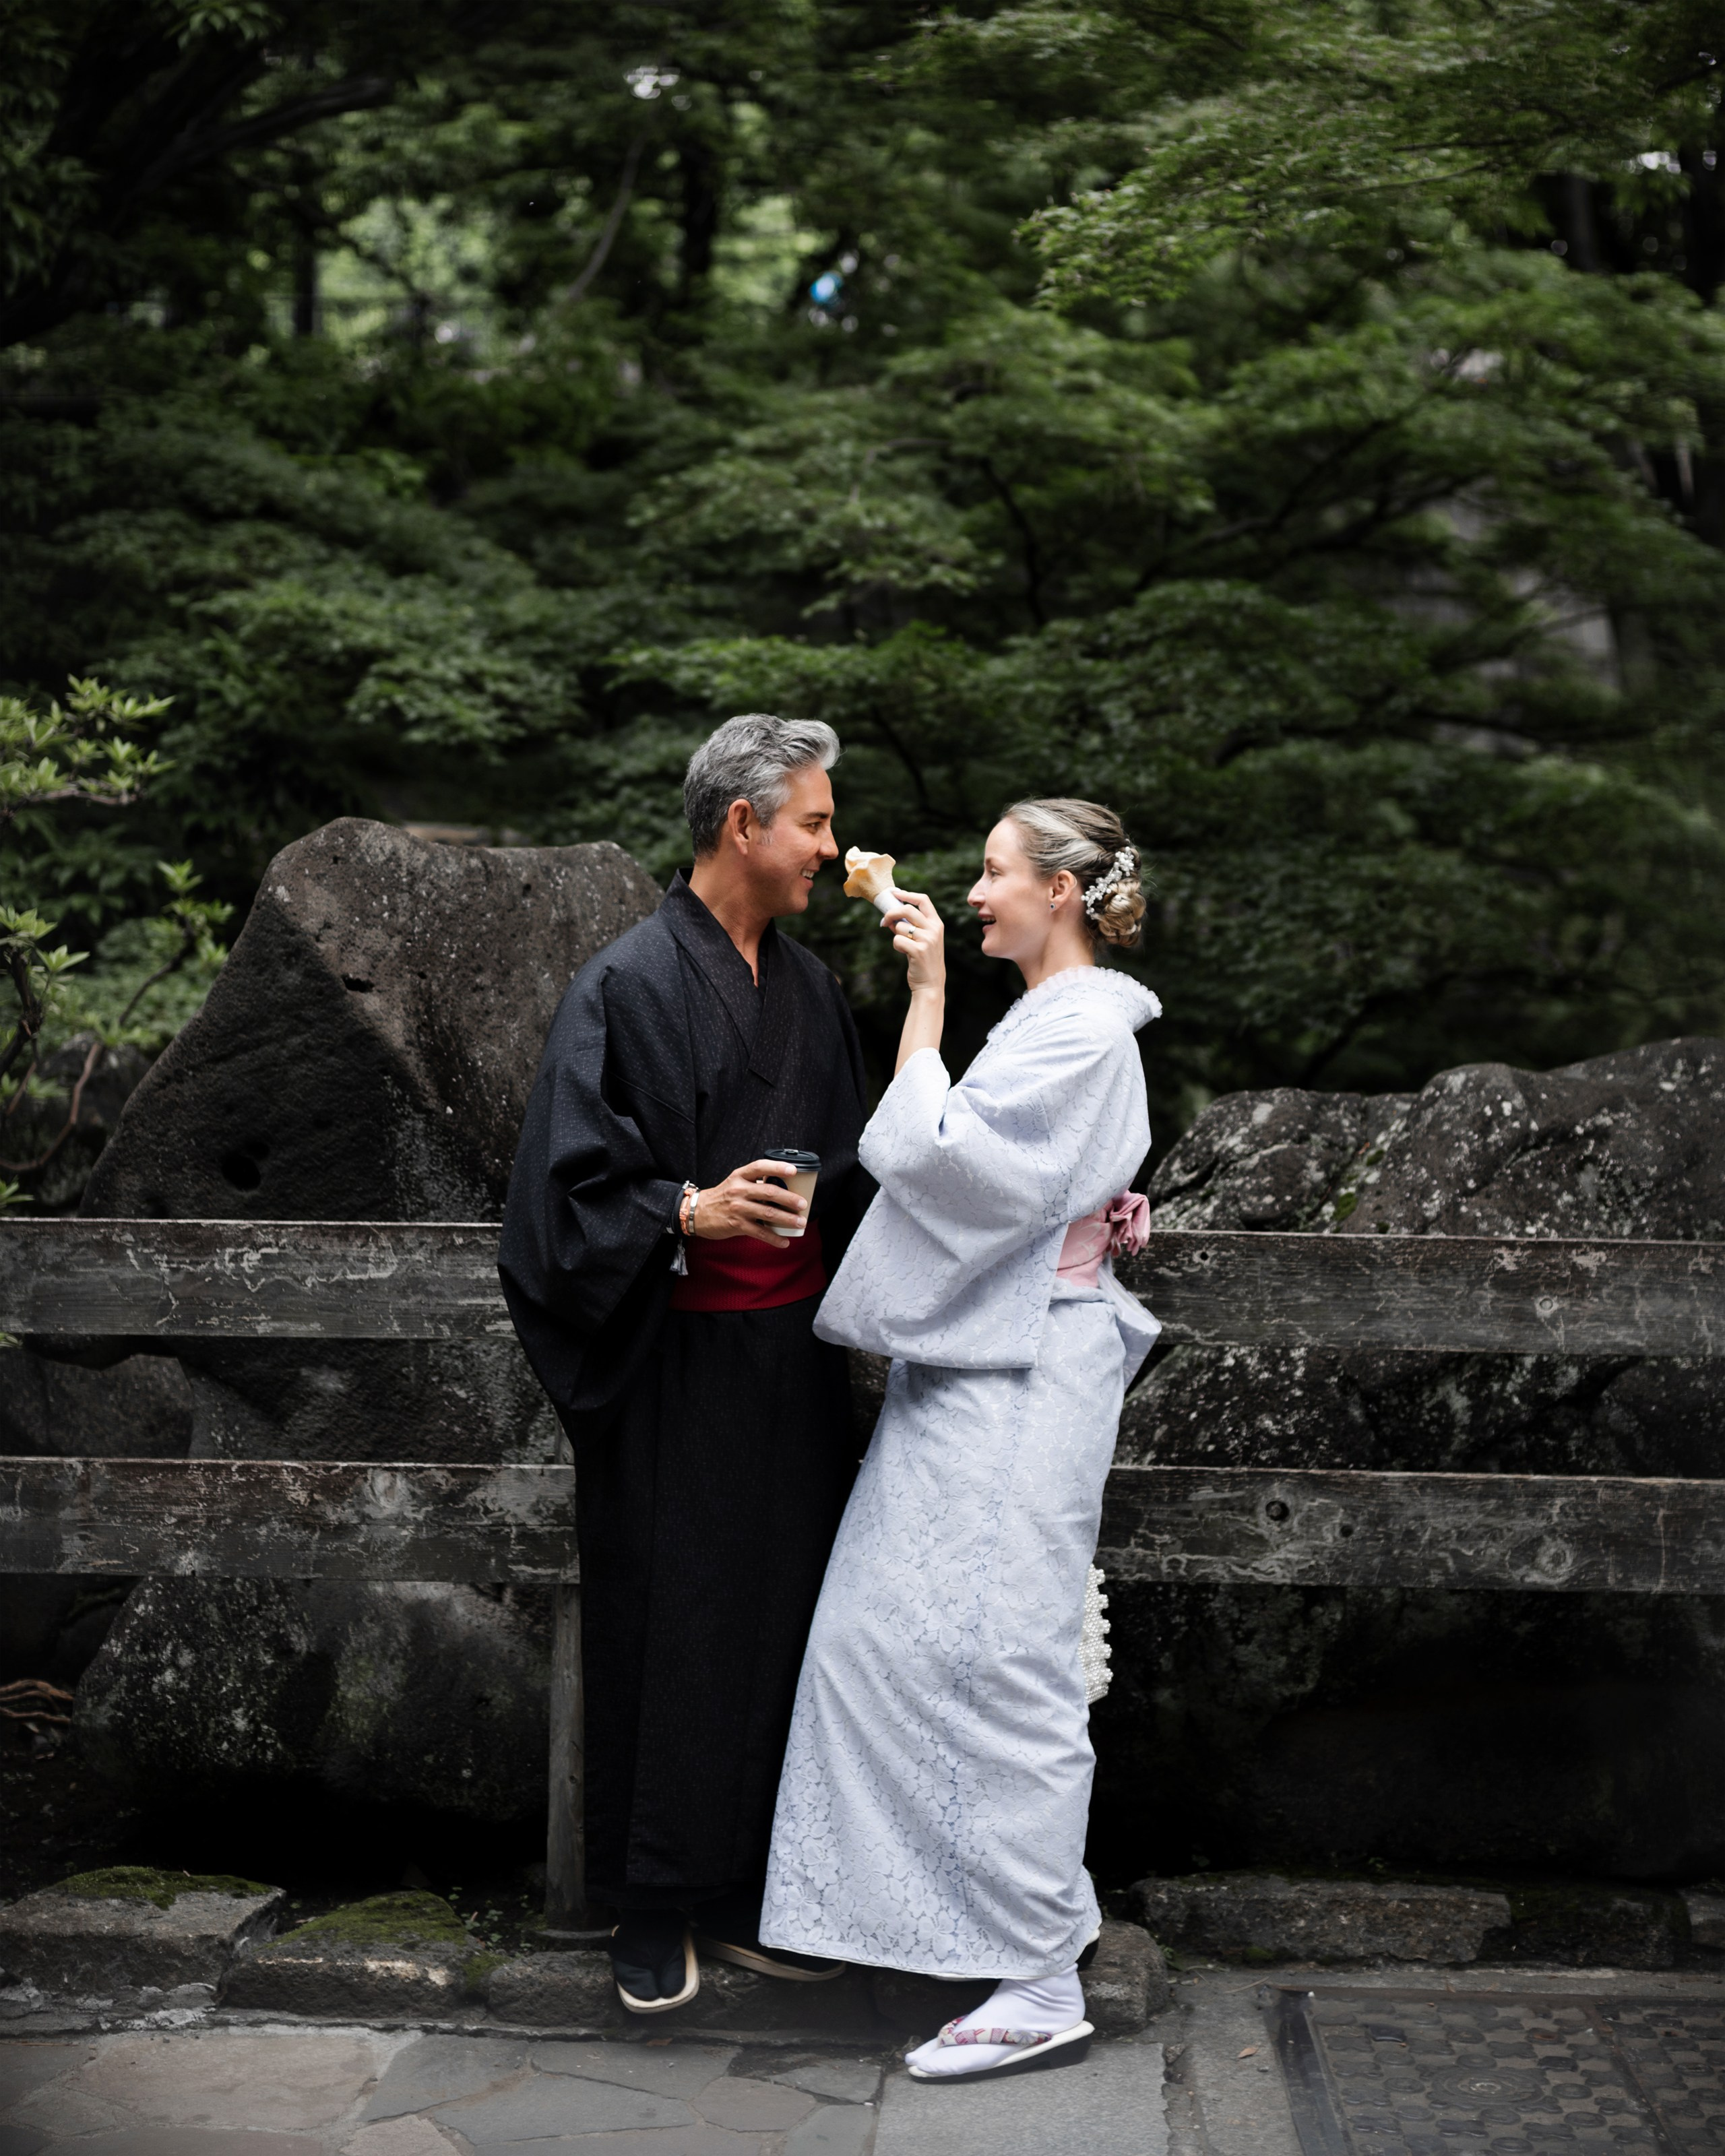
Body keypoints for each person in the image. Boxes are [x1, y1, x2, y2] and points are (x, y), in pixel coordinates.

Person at [759, 796, 1162, 2083]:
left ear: (1060, 890)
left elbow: (928, 1156)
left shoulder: (1084, 1025)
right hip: (994, 1360)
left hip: (1026, 1371)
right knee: (886, 1640)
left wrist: (924, 995)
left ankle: (1038, 1971)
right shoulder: (1058, 1022)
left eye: (994, 874)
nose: (975, 893)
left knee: (1007, 1656)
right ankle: (932, 1926)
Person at [499, 714, 873, 2015]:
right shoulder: (625, 985)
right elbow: (556, 1207)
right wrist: (684, 1214)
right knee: (674, 1623)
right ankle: (651, 1908)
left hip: (793, 1363)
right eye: (816, 822)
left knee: (787, 1624)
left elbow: (872, 1177)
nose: (832, 846)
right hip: (671, 1360)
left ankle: (761, 1891)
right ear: (743, 826)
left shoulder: (816, 990)